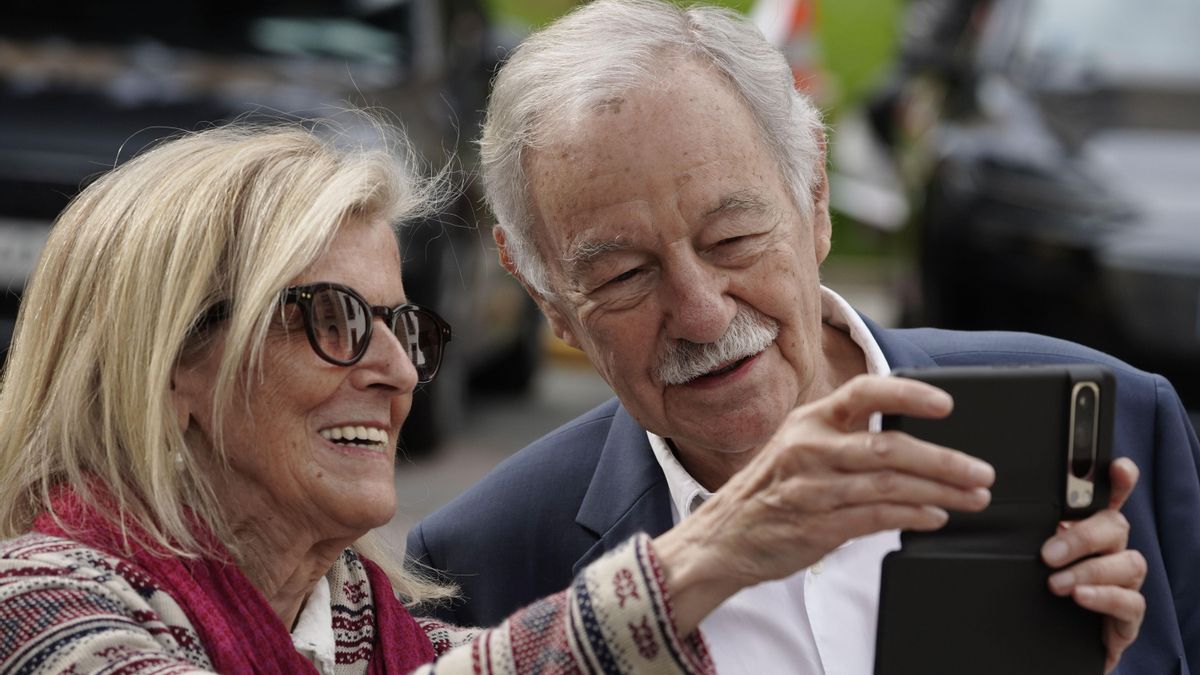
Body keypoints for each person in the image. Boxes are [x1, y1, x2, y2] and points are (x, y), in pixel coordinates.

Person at [0, 120, 998, 674]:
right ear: (173, 357)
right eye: (337, 320)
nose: (393, 371)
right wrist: (708, 550)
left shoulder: (360, 626)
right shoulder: (39, 604)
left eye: (404, 326)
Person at [405, 1, 1199, 673]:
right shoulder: (483, 567)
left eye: (733, 239)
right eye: (623, 276)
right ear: (545, 293)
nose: (704, 313)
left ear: (814, 196)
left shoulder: (1118, 425)